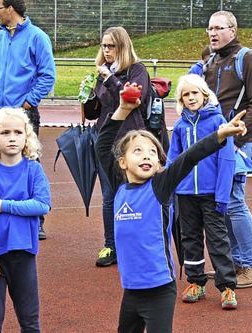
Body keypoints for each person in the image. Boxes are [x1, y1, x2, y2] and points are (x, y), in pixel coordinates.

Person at [96, 82, 247, 332]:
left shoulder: (160, 187)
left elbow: (190, 156)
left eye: (152, 152)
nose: (146, 155)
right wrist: (122, 109)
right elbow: (103, 145)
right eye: (138, 151)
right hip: (131, 290)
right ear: (122, 162)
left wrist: (220, 135)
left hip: (159, 290)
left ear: (159, 163)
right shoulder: (119, 186)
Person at [0, 107, 51, 332]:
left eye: (18, 132)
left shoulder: (34, 171)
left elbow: (42, 205)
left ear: (27, 137)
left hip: (24, 255)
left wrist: (3, 205)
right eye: (5, 133)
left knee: (29, 319)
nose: (12, 138)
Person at [202, 10, 252, 289]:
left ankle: (251, 265)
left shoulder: (247, 59)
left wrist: (236, 139)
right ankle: (236, 263)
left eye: (218, 28)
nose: (213, 33)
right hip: (215, 142)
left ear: (233, 30)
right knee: (223, 204)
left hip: (236, 144)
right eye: (210, 28)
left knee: (235, 203)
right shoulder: (212, 60)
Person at [0, 0, 56, 240]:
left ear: (10, 9)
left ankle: (36, 219)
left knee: (29, 159)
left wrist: (28, 102)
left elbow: (48, 75)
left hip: (22, 111)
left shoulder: (37, 37)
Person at [81, 26, 150, 268]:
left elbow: (131, 99)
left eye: (111, 46)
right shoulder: (101, 74)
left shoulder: (137, 70)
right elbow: (93, 112)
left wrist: (110, 79)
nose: (106, 50)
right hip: (106, 140)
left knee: (134, 193)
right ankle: (111, 244)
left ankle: (135, 243)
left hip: (132, 141)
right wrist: (87, 93)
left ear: (123, 47)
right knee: (109, 195)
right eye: (103, 46)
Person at [167, 74, 238, 309]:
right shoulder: (180, 126)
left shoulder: (219, 123)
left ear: (205, 94)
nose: (190, 98)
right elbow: (173, 160)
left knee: (218, 240)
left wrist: (222, 194)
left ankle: (227, 287)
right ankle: (196, 282)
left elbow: (227, 160)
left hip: (211, 194)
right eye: (185, 95)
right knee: (190, 239)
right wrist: (170, 186)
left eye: (194, 93)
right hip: (185, 195)